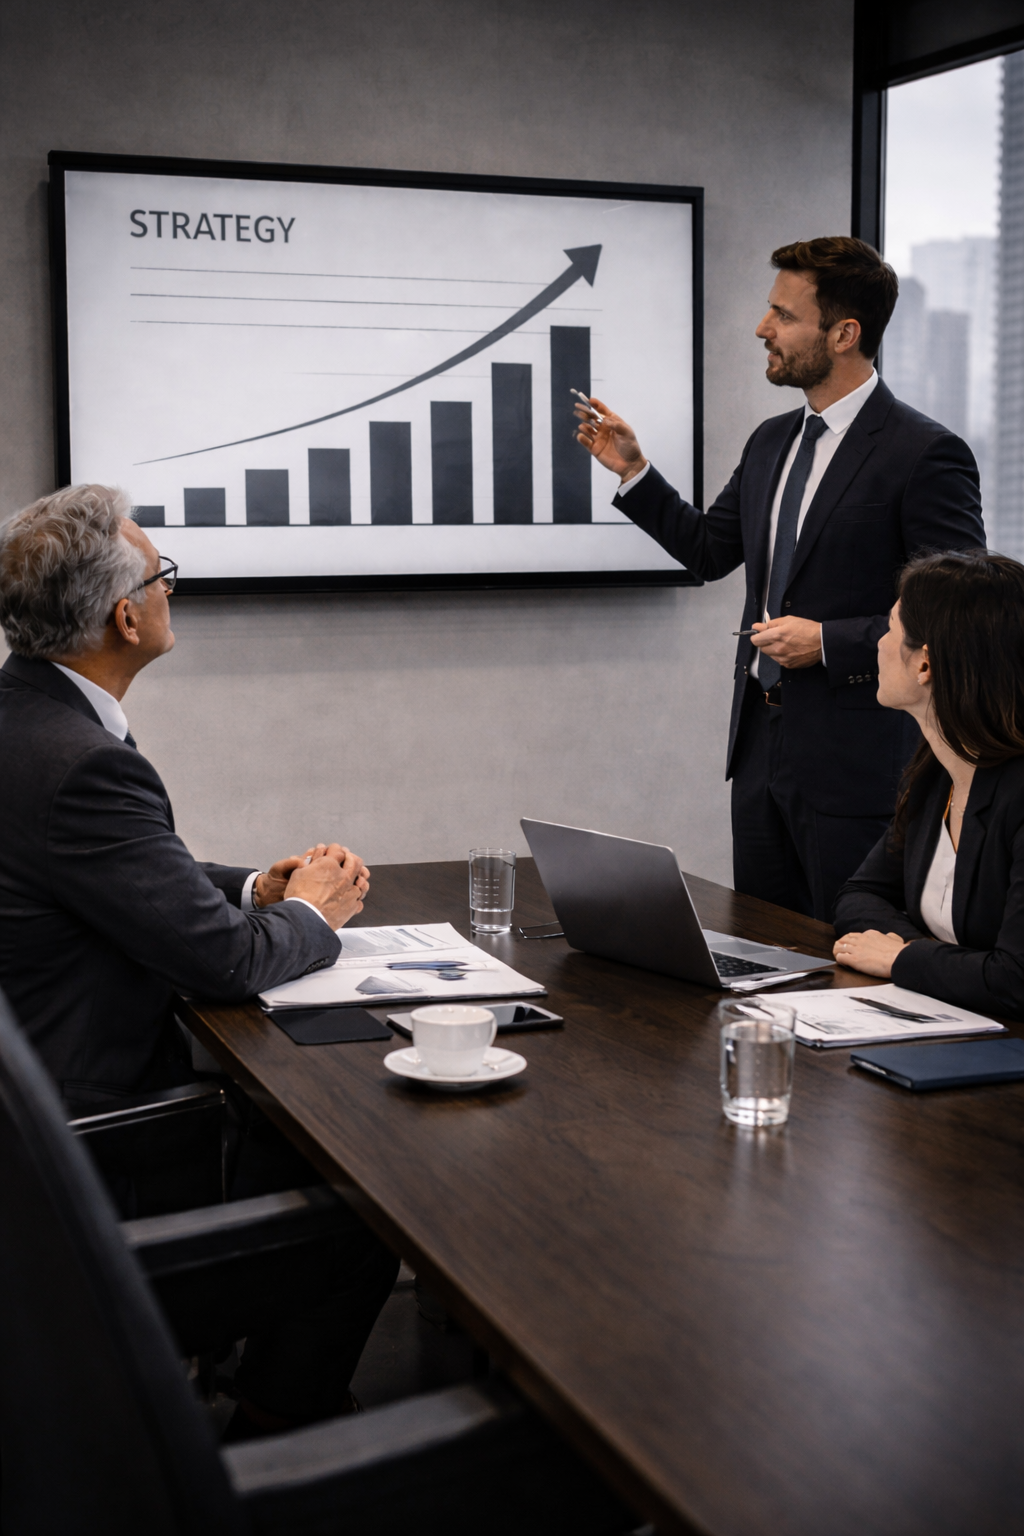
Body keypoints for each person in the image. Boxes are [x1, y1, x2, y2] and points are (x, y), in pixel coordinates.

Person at [0, 484, 398, 1435]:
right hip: (97, 1151)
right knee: (363, 1209)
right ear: (124, 615)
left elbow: (121, 878)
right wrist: (314, 913)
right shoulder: (82, 762)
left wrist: (262, 884)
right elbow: (223, 966)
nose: (174, 592)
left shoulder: (27, 720)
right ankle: (274, 1446)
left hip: (49, 1110)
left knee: (293, 1137)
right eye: (162, 576)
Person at [574, 237, 986, 921]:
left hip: (857, 762)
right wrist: (634, 473)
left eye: (783, 316)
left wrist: (829, 642)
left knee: (847, 954)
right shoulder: (771, 441)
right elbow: (709, 550)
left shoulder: (926, 454)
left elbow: (955, 614)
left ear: (844, 333)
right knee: (766, 955)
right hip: (761, 755)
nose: (763, 329)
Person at [832, 551, 1024, 1019]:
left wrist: (901, 958)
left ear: (925, 665)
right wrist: (927, 959)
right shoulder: (938, 770)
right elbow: (858, 896)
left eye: (891, 628)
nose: (879, 642)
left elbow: (1016, 981)